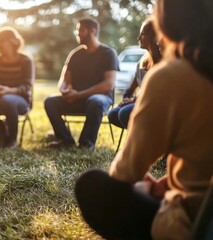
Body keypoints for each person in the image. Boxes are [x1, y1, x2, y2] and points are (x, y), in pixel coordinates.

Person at [75, 0, 213, 239]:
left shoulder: (173, 75)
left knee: (91, 185)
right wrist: (171, 180)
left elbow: (125, 172)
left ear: (166, 22)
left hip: (196, 222)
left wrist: (146, 184)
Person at [44, 17, 119, 150]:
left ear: (93, 31)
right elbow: (63, 80)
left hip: (100, 100)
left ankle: (86, 144)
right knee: (50, 101)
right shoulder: (75, 54)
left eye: (81, 30)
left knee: (95, 100)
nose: (78, 33)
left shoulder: (108, 53)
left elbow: (109, 85)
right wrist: (64, 90)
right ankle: (65, 140)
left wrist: (80, 95)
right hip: (76, 99)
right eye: (77, 30)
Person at [0, 27, 34, 149]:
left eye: (3, 41)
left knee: (8, 99)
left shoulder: (26, 60)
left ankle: (12, 141)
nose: (0, 45)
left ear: (13, 42)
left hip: (21, 101)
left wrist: (8, 91)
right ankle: (1, 137)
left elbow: (27, 86)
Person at [108, 18, 161, 129]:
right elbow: (131, 88)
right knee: (113, 114)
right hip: (141, 101)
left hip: (155, 104)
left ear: (153, 36)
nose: (138, 38)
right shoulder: (142, 62)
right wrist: (126, 99)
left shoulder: (162, 62)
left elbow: (156, 94)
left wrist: (134, 100)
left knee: (124, 113)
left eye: (142, 34)